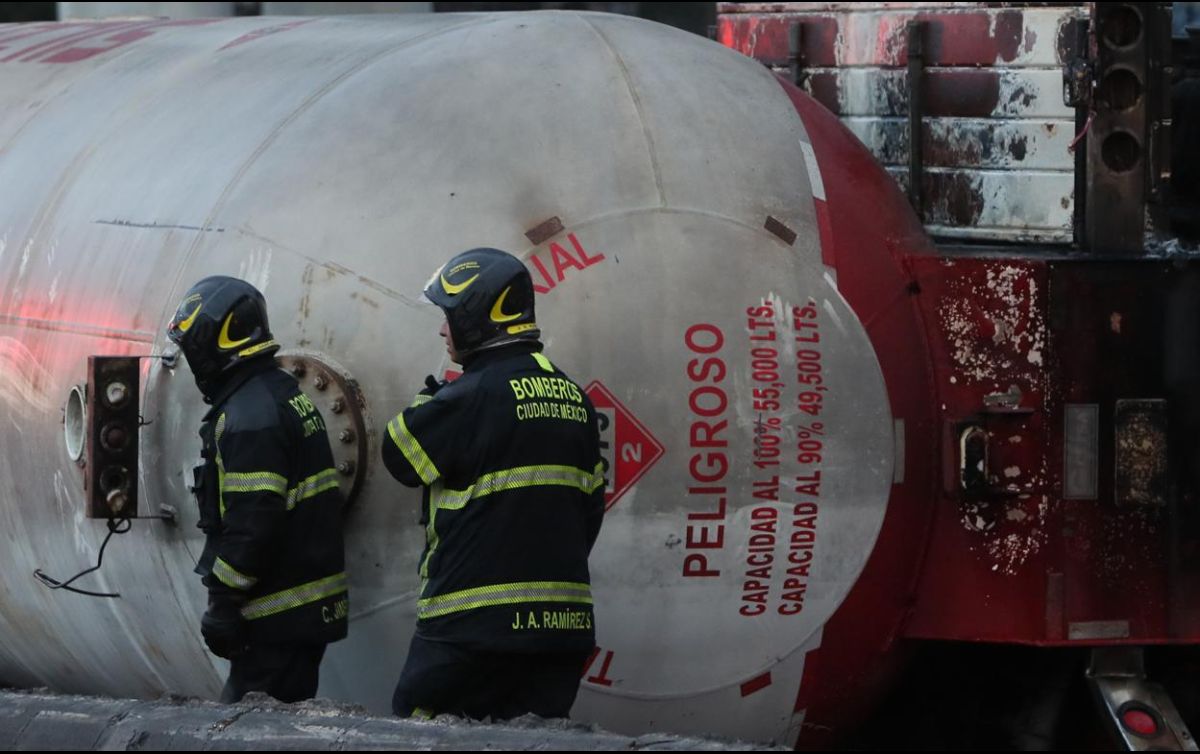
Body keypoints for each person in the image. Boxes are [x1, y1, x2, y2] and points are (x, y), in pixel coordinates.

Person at [382, 247, 605, 721]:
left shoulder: (471, 396)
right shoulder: (575, 400)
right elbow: (590, 513)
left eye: (448, 315)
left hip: (470, 629)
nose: (443, 329)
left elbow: (398, 457)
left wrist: (431, 401)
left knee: (417, 731)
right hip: (561, 631)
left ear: (476, 316)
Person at [166, 275, 348, 704]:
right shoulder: (279, 393)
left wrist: (224, 602)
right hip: (298, 609)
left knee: (243, 727)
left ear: (218, 347)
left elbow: (253, 521)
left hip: (277, 614)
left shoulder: (250, 417)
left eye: (195, 350)